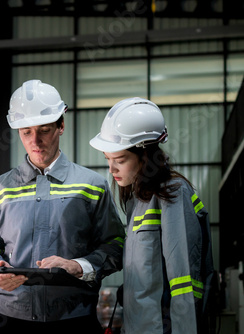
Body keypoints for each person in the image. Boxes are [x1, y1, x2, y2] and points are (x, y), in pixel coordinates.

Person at [0, 79, 126, 333]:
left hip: (73, 320)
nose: (35, 141)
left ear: (61, 125)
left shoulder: (92, 186)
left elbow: (116, 245)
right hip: (8, 321)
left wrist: (79, 266)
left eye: (44, 130)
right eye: (26, 132)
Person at [89, 97, 215, 333]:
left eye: (120, 160)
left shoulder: (173, 194)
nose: (111, 169)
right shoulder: (137, 200)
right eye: (108, 159)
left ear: (144, 156)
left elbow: (184, 280)